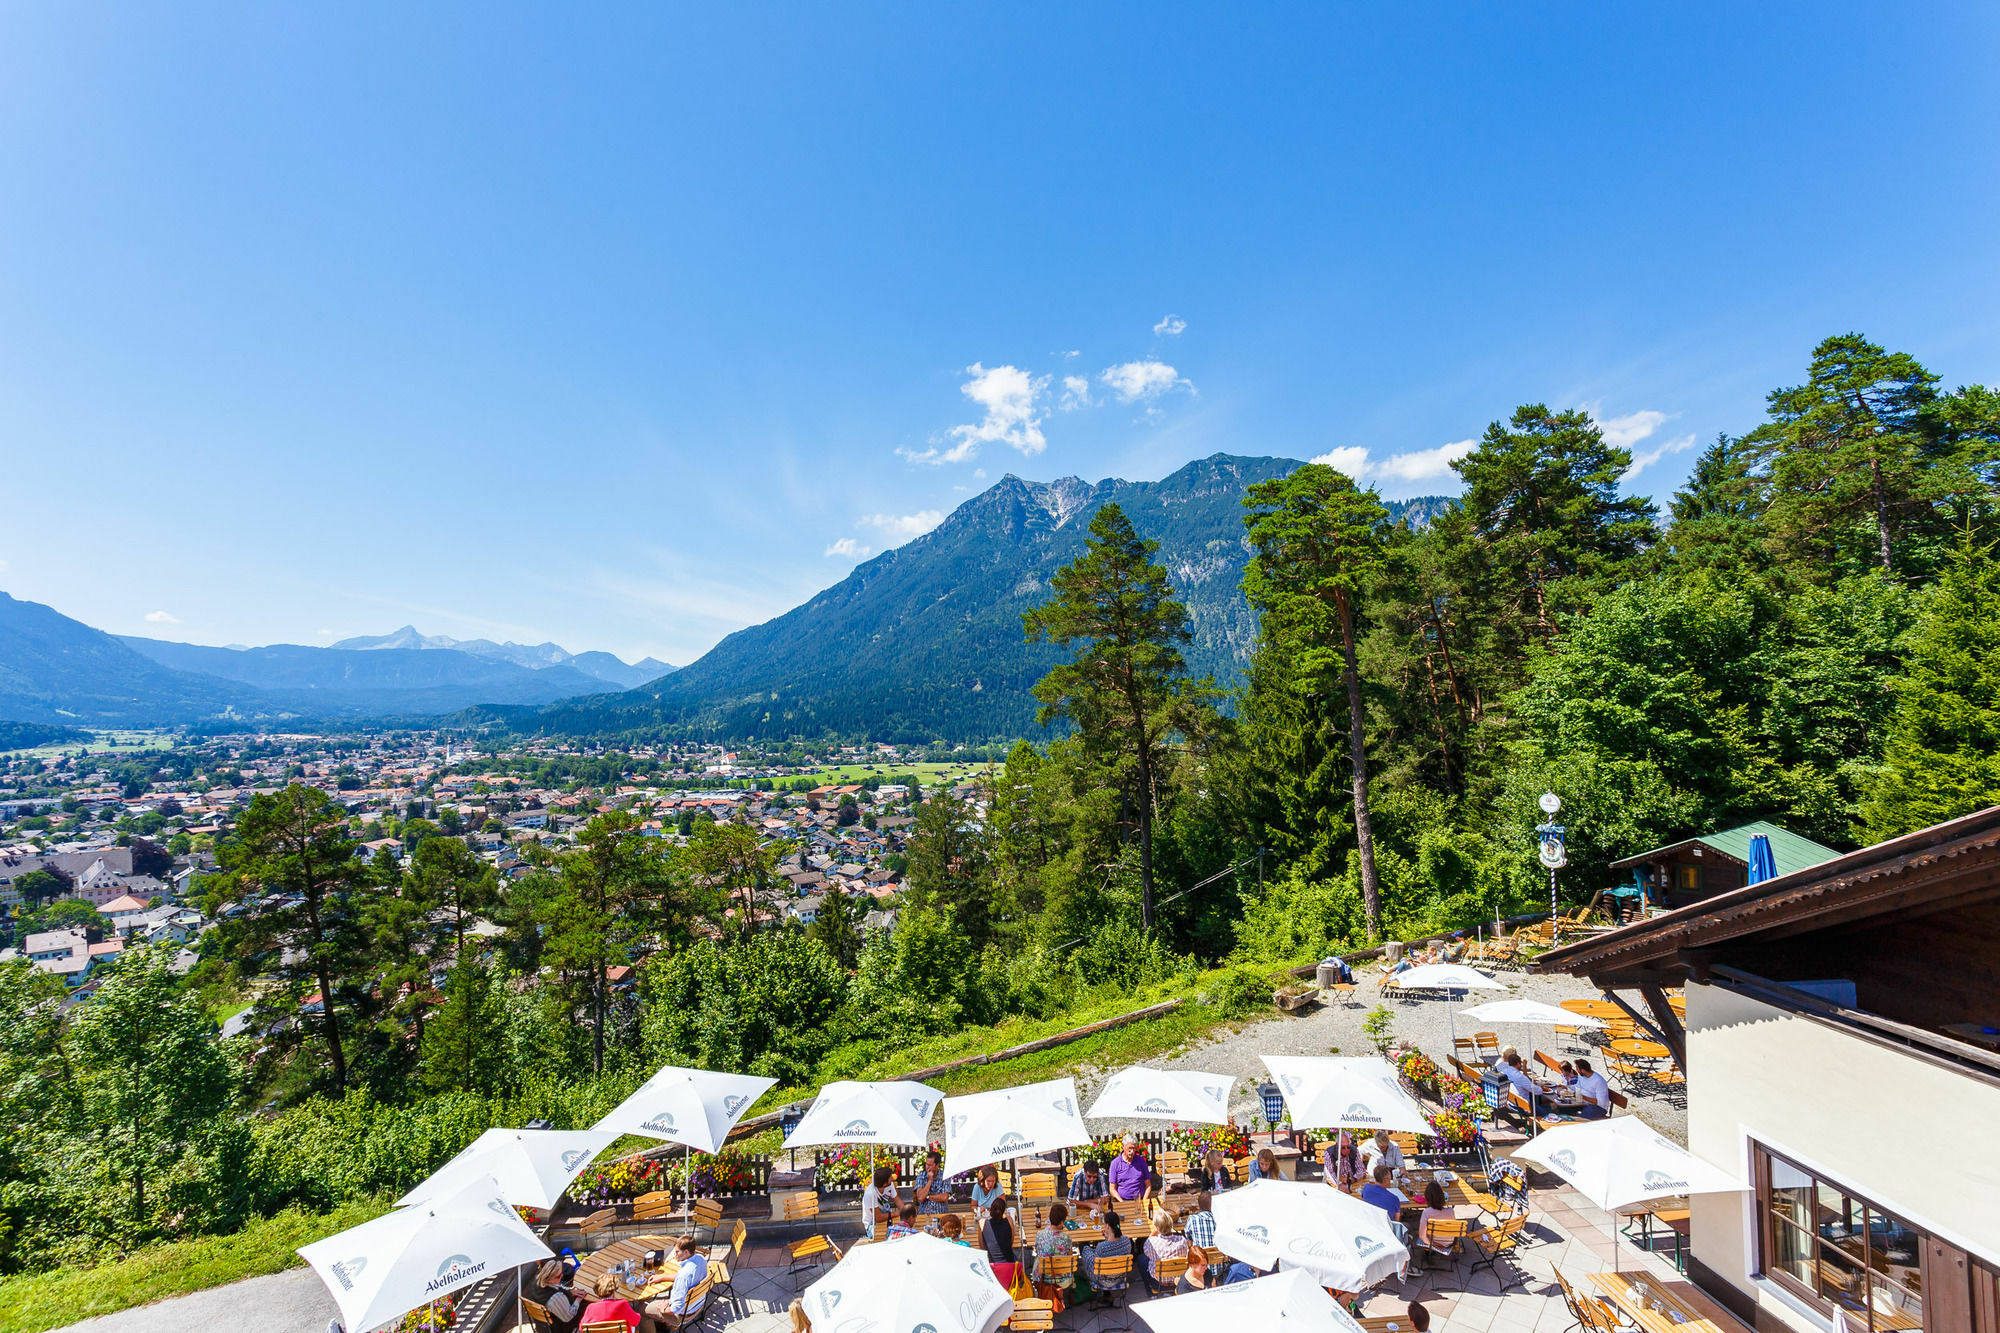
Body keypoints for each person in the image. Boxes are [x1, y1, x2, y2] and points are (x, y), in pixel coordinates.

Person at [646, 1234, 707, 1330]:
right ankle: (663, 1323)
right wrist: (662, 1277)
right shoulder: (701, 1259)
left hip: (683, 1314)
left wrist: (664, 1309)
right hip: (699, 1303)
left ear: (686, 1252)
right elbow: (684, 1277)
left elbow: (677, 1308)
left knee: (642, 1308)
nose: (675, 1255)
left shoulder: (684, 1275)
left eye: (677, 1252)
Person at [1081, 1210, 1131, 1306]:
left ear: (1107, 1226)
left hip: (1103, 1280)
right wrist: (1108, 1237)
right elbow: (1114, 1247)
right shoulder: (1126, 1241)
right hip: (1120, 1277)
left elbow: (1096, 1262)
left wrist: (1087, 1250)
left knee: (1086, 1250)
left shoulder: (1102, 1247)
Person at [1033, 1202, 1077, 1305]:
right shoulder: (1066, 1239)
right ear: (1061, 1222)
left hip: (1043, 1276)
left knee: (1039, 1258)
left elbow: (1038, 1250)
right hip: (1062, 1278)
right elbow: (1069, 1257)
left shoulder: (1039, 1235)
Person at [1141, 1209, 1190, 1295]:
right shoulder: (1182, 1240)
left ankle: (1150, 1294)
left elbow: (1146, 1252)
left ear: (1156, 1227)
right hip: (1178, 1280)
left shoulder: (1152, 1242)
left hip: (1158, 1282)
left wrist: (1152, 1234)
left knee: (1141, 1259)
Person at [578, 1273, 642, 1333]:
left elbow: (581, 1328)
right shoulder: (622, 1304)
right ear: (614, 1290)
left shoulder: (590, 1308)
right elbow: (636, 1321)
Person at [1417, 1181, 1457, 1256]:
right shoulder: (1451, 1211)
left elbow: (1422, 1236)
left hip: (1433, 1241)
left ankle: (1428, 1255)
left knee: (1422, 1233)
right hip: (1449, 1243)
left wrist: (1432, 1243)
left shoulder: (1426, 1212)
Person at [860, 1164, 899, 1240]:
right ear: (885, 1183)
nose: (892, 1178)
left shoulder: (889, 1185)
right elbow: (878, 1218)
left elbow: (897, 1200)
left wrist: (905, 1211)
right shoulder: (870, 1193)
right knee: (886, 1239)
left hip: (888, 1218)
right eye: (890, 1177)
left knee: (904, 1232)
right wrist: (897, 1213)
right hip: (872, 1224)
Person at [1108, 1135, 1153, 1201]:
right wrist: (1121, 1202)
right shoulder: (1115, 1163)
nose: (1132, 1151)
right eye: (1130, 1148)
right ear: (1123, 1146)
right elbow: (1112, 1189)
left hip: (1140, 1199)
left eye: (1134, 1148)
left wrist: (1144, 1201)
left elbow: (1148, 1185)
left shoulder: (1141, 1161)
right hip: (1122, 1200)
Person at [911, 1149, 952, 1214]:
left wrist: (927, 1197)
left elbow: (944, 1197)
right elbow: (921, 1198)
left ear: (937, 1165)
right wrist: (930, 1180)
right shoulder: (921, 1177)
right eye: (926, 1164)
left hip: (941, 1214)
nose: (927, 1167)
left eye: (930, 1165)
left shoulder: (944, 1176)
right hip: (924, 1215)